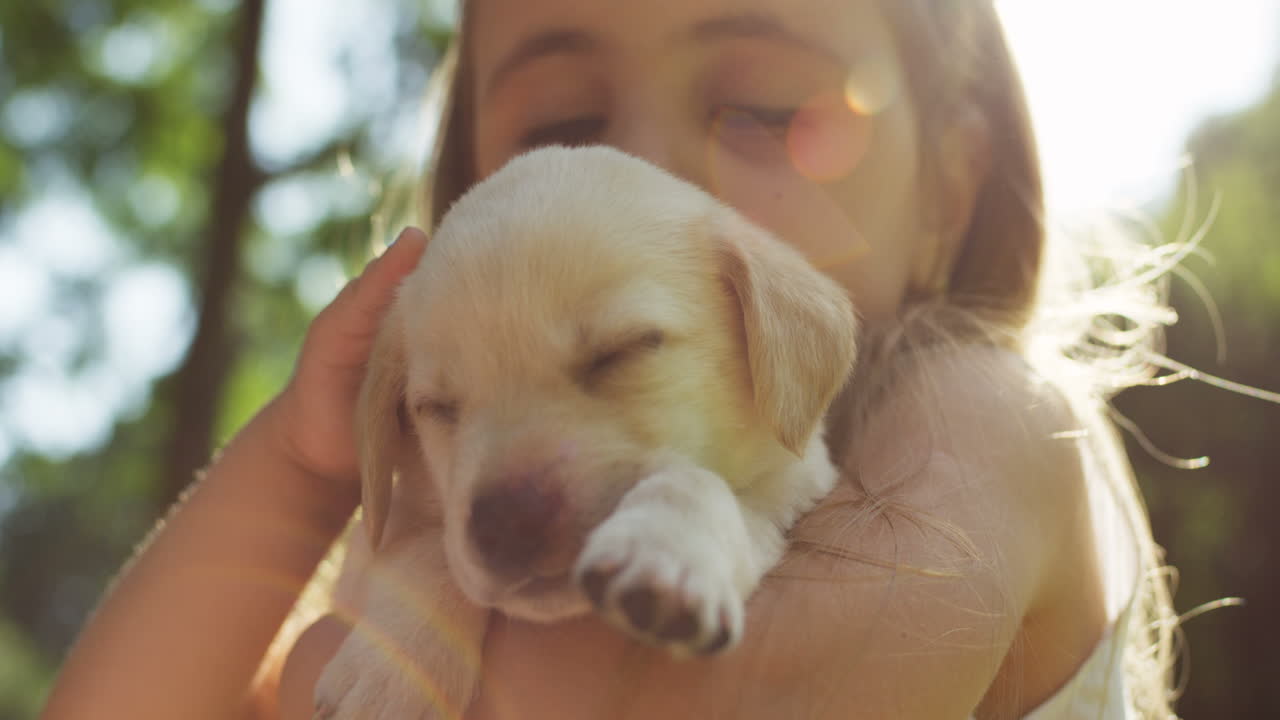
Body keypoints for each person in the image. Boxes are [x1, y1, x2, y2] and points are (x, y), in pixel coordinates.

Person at [41, 0, 1184, 718]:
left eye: (761, 104)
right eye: (557, 128)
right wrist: (304, 466)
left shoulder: (991, 415)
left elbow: (732, 700)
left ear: (948, 181)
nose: (641, 160)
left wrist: (365, 648)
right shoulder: (422, 512)